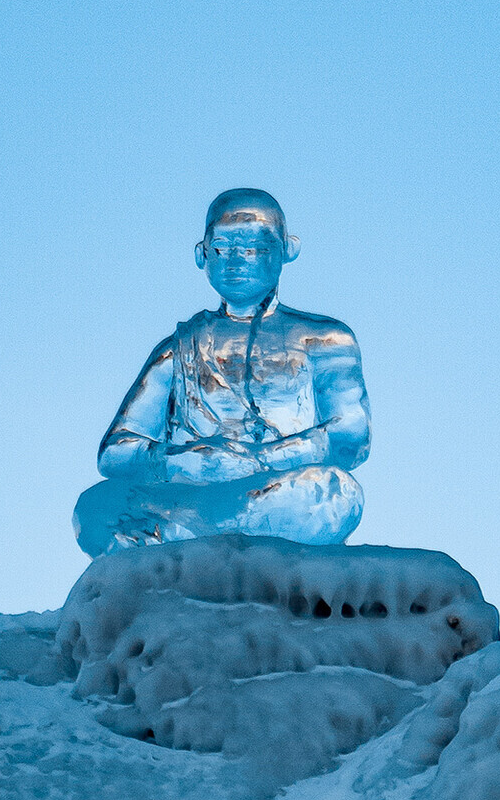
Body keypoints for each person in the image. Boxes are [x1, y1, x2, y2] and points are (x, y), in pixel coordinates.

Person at [74, 189, 372, 553]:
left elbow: (350, 436)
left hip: (282, 488)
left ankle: (189, 533)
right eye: (222, 247)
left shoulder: (326, 340)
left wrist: (258, 460)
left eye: (255, 247)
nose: (236, 260)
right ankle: (207, 527)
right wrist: (180, 461)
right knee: (96, 506)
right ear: (201, 254)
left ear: (288, 249)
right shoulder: (179, 347)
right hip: (192, 493)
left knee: (335, 492)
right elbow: (114, 452)